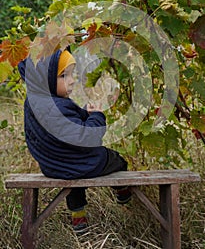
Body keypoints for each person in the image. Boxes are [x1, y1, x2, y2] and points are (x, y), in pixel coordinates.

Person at [18, 48, 131, 234]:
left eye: (72, 74)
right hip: (81, 163)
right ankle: (123, 192)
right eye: (64, 75)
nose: (71, 80)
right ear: (45, 79)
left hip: (52, 166)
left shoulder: (33, 102)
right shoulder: (59, 106)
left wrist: (85, 112)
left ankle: (79, 217)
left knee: (73, 179)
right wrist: (97, 117)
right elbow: (88, 137)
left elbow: (63, 126)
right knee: (113, 158)